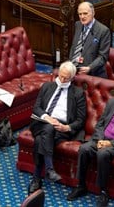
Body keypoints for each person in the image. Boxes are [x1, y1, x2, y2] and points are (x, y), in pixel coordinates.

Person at [28, 61, 86, 194]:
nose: (62, 79)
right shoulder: (47, 86)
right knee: (48, 128)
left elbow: (80, 120)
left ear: (72, 77)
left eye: (66, 78)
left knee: (39, 140)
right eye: (61, 76)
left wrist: (67, 127)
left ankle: (36, 178)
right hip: (41, 122)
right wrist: (47, 118)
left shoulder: (78, 93)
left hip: (61, 128)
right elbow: (36, 108)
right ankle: (49, 169)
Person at [69, 1, 111, 78]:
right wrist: (70, 64)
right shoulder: (77, 25)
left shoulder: (103, 31)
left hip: (93, 73)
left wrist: (90, 68)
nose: (82, 17)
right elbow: (74, 47)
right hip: (75, 70)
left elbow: (103, 57)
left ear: (93, 13)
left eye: (85, 13)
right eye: (80, 14)